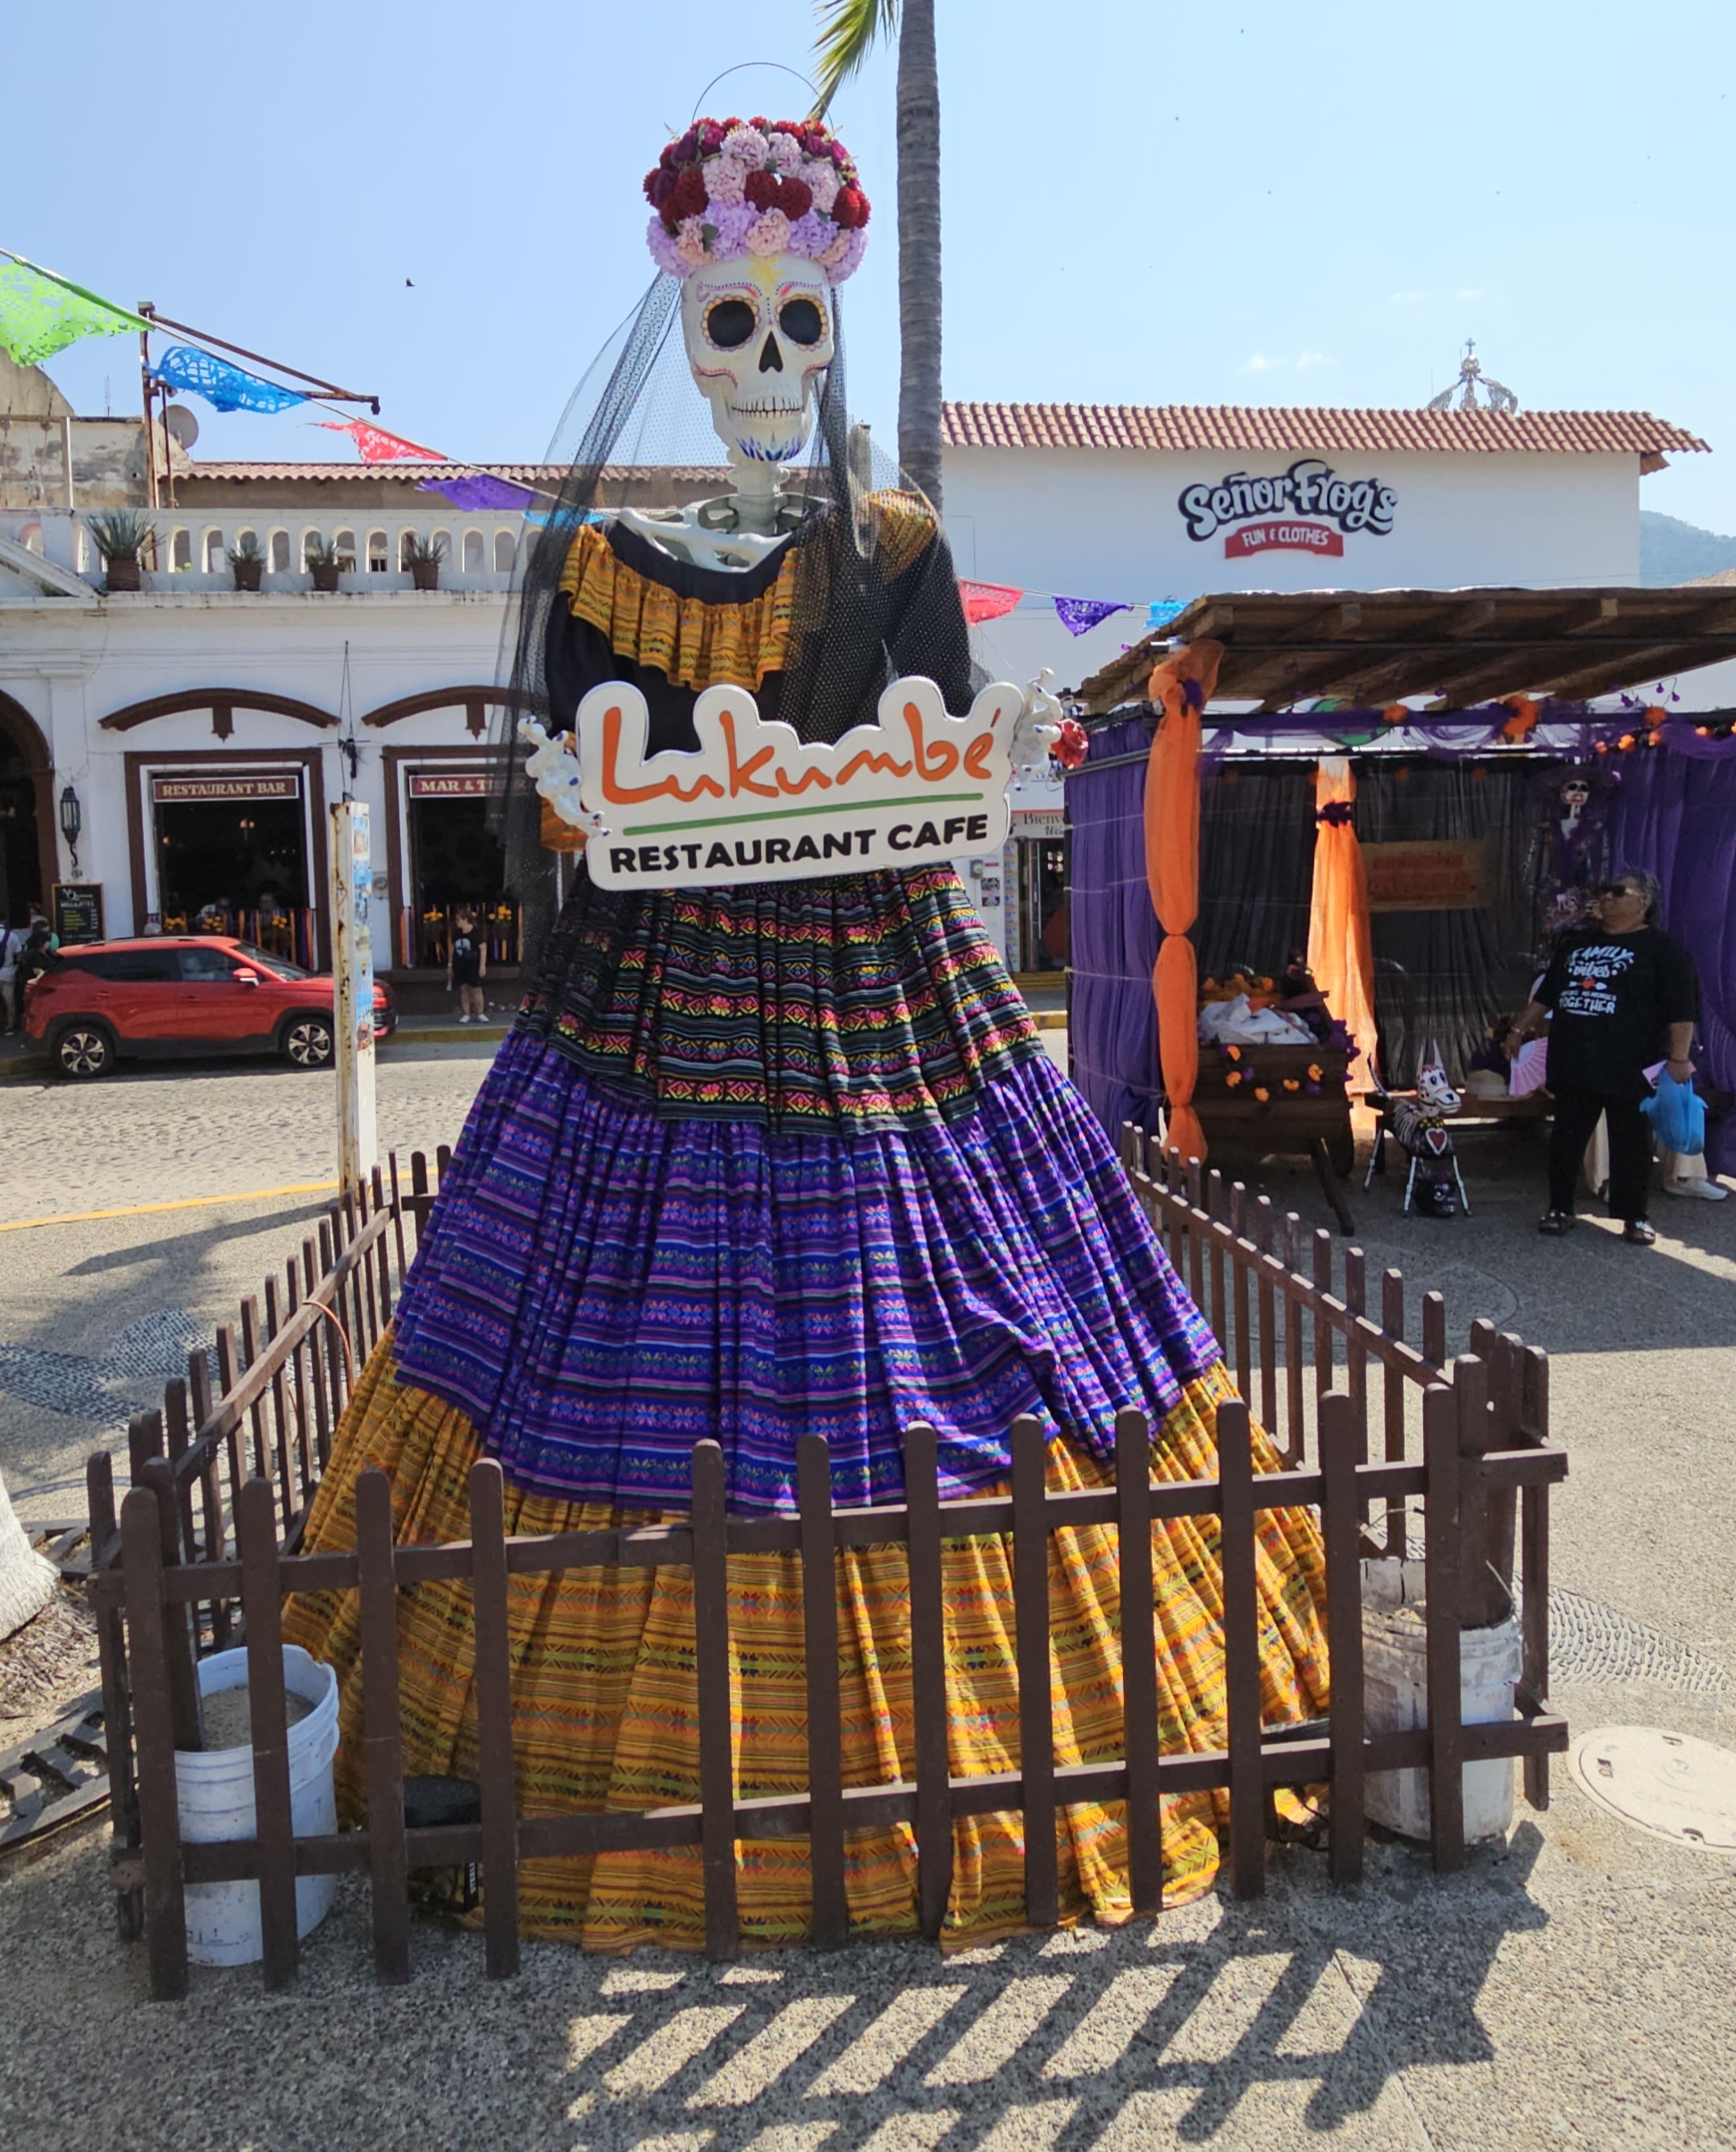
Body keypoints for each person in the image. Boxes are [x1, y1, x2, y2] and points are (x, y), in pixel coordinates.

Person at [281, 114, 1329, 1951]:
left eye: (795, 323)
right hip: (653, 1005)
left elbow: (924, 744)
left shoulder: (895, 544)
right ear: (687, 334)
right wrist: (605, 812)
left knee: (949, 1296)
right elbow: (587, 788)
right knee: (592, 1322)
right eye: (731, 324)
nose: (765, 361)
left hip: (878, 993)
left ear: (829, 330)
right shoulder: (607, 564)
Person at [1505, 869, 1700, 1244]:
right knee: (1566, 1139)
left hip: (1631, 1063)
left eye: (1618, 891)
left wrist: (1679, 1058)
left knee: (1632, 1143)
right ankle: (1560, 1208)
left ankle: (1635, 1217)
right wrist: (1518, 1030)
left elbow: (1682, 1010)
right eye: (1604, 891)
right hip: (1575, 1060)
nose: (1607, 897)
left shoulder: (1664, 950)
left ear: (1643, 903)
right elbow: (1548, 993)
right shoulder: (1576, 943)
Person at [445, 906, 487, 1025]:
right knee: (464, 989)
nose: (457, 922)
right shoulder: (456, 933)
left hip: (473, 964)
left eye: (459, 920)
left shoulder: (476, 932)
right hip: (460, 964)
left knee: (476, 989)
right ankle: (466, 1014)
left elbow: (483, 948)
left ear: (465, 920)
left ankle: (480, 1013)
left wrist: (482, 966)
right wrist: (450, 964)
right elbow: (452, 949)